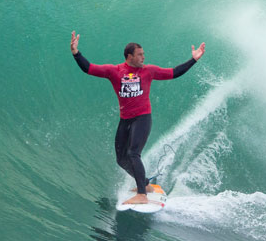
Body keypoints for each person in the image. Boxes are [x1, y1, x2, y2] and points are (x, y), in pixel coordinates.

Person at [71, 31, 205, 205]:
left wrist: (193, 59)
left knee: (134, 153)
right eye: (140, 54)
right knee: (121, 159)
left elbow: (174, 72)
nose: (143, 57)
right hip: (125, 119)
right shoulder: (115, 71)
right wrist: (76, 53)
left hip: (142, 118)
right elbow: (88, 68)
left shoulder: (149, 71)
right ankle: (146, 184)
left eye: (143, 54)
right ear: (130, 56)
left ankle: (142, 194)